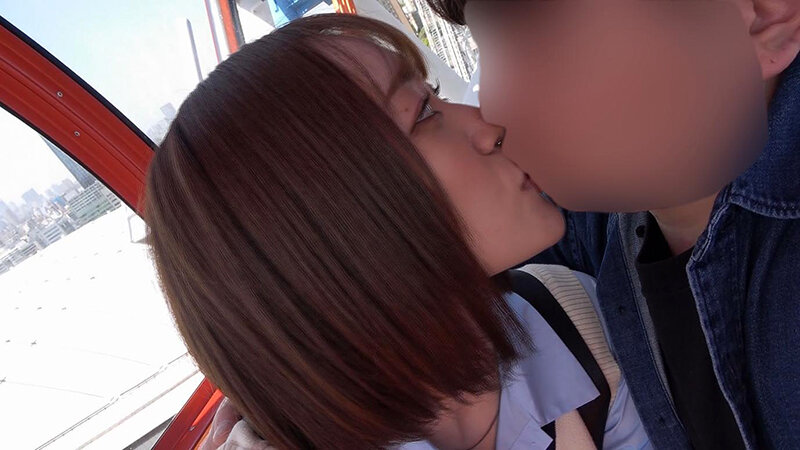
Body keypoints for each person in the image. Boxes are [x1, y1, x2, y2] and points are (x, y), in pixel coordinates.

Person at [146, 14, 650, 450]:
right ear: (329, 221)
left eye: (438, 96)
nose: (491, 122)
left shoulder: (573, 316)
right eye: (425, 112)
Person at [424, 0, 800, 448]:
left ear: (761, 16)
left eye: (540, 37)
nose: (494, 107)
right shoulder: (592, 226)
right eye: (484, 46)